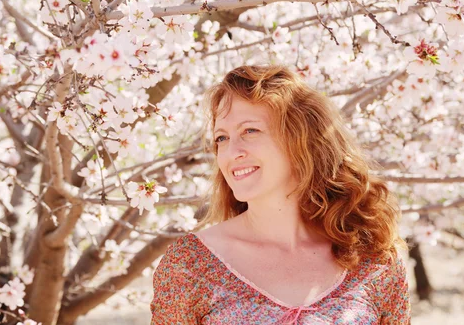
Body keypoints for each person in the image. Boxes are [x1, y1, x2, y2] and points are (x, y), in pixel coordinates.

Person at [150, 64, 411, 324]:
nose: (231, 152)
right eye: (221, 138)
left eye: (249, 131)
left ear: (302, 141)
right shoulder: (191, 264)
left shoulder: (374, 261)